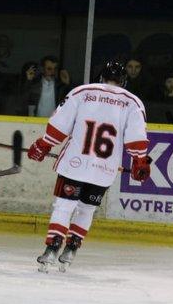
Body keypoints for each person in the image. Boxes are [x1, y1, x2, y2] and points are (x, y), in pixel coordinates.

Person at [27, 61, 150, 272]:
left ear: (101, 77)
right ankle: (71, 248)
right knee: (87, 208)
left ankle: (52, 248)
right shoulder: (133, 102)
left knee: (64, 206)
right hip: (104, 169)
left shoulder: (82, 92)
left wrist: (44, 144)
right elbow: (136, 138)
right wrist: (140, 161)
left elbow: (59, 125)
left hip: (75, 164)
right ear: (124, 81)